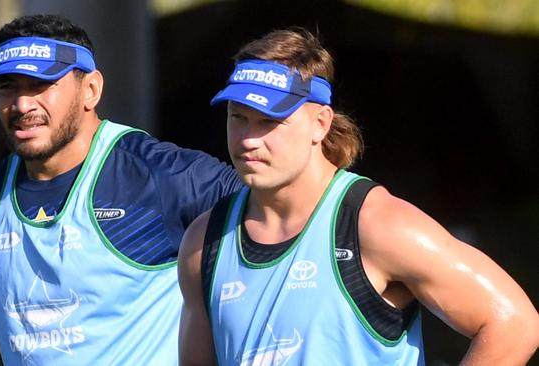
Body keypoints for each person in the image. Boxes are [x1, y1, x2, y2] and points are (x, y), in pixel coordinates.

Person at [177, 27, 539, 365]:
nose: (248, 139)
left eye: (269, 121)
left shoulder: (377, 225)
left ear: (320, 123)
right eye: (238, 117)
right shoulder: (202, 243)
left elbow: (515, 324)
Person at [0, 14, 242, 365]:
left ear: (91, 90)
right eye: (8, 86)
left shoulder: (164, 177)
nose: (22, 104)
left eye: (40, 84)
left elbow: (285, 224)